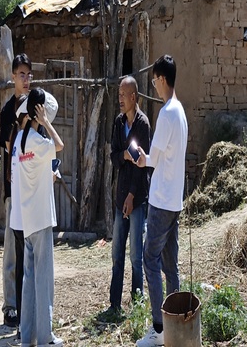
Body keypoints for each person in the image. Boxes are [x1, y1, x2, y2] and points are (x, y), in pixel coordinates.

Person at [134, 55, 188, 347]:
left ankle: (159, 328)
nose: (154, 85)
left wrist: (140, 159)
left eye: (154, 80)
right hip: (174, 199)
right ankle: (177, 327)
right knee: (170, 266)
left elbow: (151, 158)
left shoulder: (166, 113)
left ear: (162, 79)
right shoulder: (181, 112)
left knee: (150, 261)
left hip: (161, 200)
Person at [13, 87, 64, 347]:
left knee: (29, 280)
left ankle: (28, 337)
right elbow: (60, 145)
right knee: (43, 280)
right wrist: (46, 122)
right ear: (39, 111)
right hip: (42, 218)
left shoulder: (20, 141)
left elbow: (32, 169)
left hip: (27, 219)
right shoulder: (38, 141)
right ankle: (45, 337)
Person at [102, 76, 151, 320]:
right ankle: (114, 304)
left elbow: (142, 167)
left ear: (134, 97)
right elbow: (113, 156)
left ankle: (137, 304)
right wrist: (124, 155)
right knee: (117, 254)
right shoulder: (119, 122)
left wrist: (131, 197)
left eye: (124, 95)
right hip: (120, 195)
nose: (120, 99)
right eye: (119, 95)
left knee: (135, 255)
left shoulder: (143, 124)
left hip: (137, 197)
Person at [0, 53, 32, 328]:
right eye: (21, 74)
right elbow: (11, 149)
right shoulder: (7, 112)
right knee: (11, 250)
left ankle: (26, 304)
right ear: (13, 77)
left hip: (32, 189)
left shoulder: (35, 107)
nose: (26, 79)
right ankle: (10, 305)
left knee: (28, 250)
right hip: (14, 188)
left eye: (29, 74)